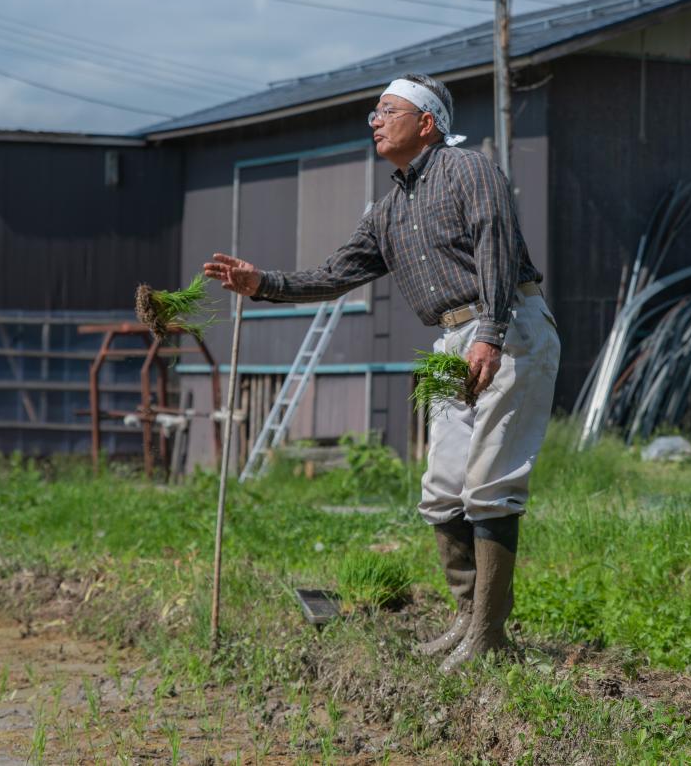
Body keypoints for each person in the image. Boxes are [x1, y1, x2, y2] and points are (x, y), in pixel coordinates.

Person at [203, 73, 559, 673]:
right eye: (374, 111)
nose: (374, 120)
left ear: (427, 123)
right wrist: (262, 284)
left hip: (506, 326)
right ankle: (468, 622)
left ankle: (491, 640)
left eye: (386, 110)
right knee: (443, 486)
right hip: (449, 339)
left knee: (490, 482)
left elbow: (496, 247)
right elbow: (335, 273)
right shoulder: (390, 209)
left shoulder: (469, 170)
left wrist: (491, 336)